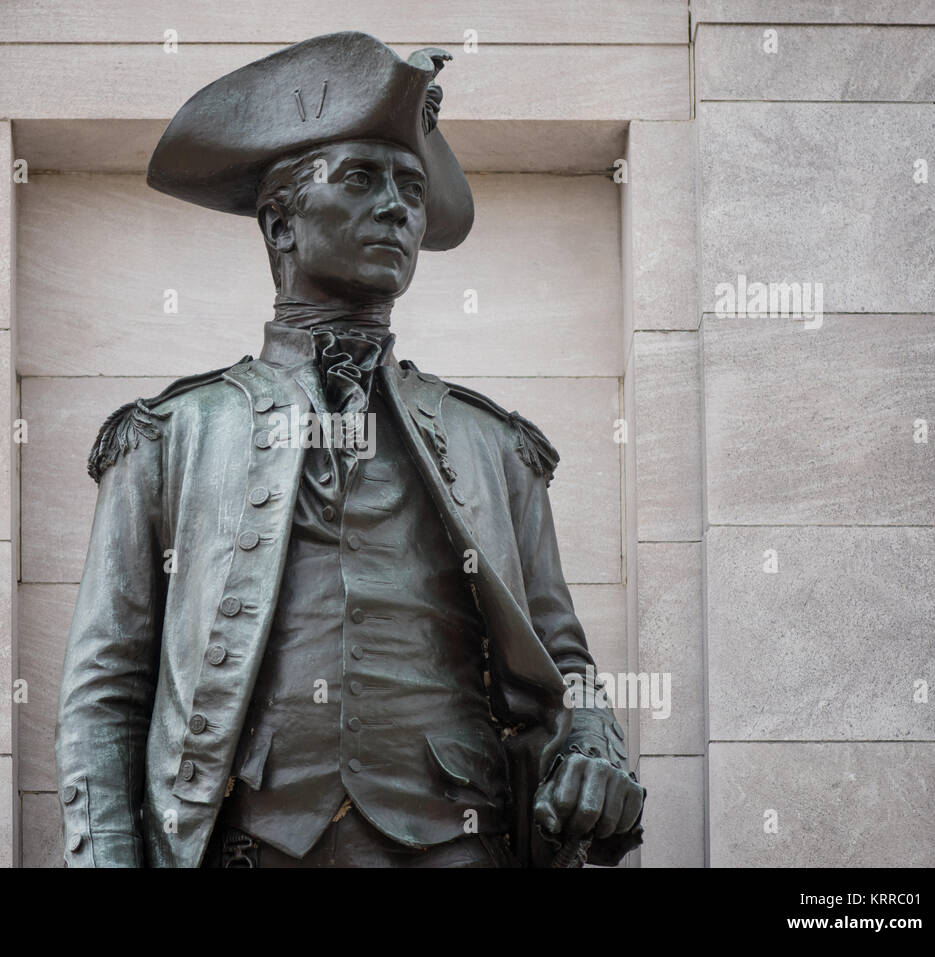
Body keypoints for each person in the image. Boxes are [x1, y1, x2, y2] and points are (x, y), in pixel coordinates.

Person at [56, 31, 644, 868]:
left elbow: (564, 663)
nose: (399, 206)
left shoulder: (494, 447)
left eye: (411, 185)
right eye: (362, 179)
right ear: (281, 221)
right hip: (246, 846)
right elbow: (106, 691)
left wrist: (595, 743)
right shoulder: (170, 437)